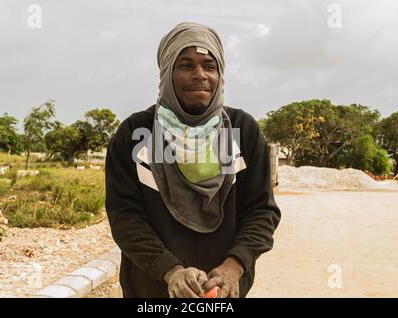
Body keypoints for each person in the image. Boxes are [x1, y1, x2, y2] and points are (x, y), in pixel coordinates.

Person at [105, 22, 281, 298]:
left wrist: (234, 266)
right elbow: (125, 217)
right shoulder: (135, 134)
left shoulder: (242, 131)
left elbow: (261, 211)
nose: (200, 75)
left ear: (220, 73)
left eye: (209, 66)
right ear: (166, 72)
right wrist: (171, 271)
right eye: (185, 65)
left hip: (221, 293)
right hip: (152, 290)